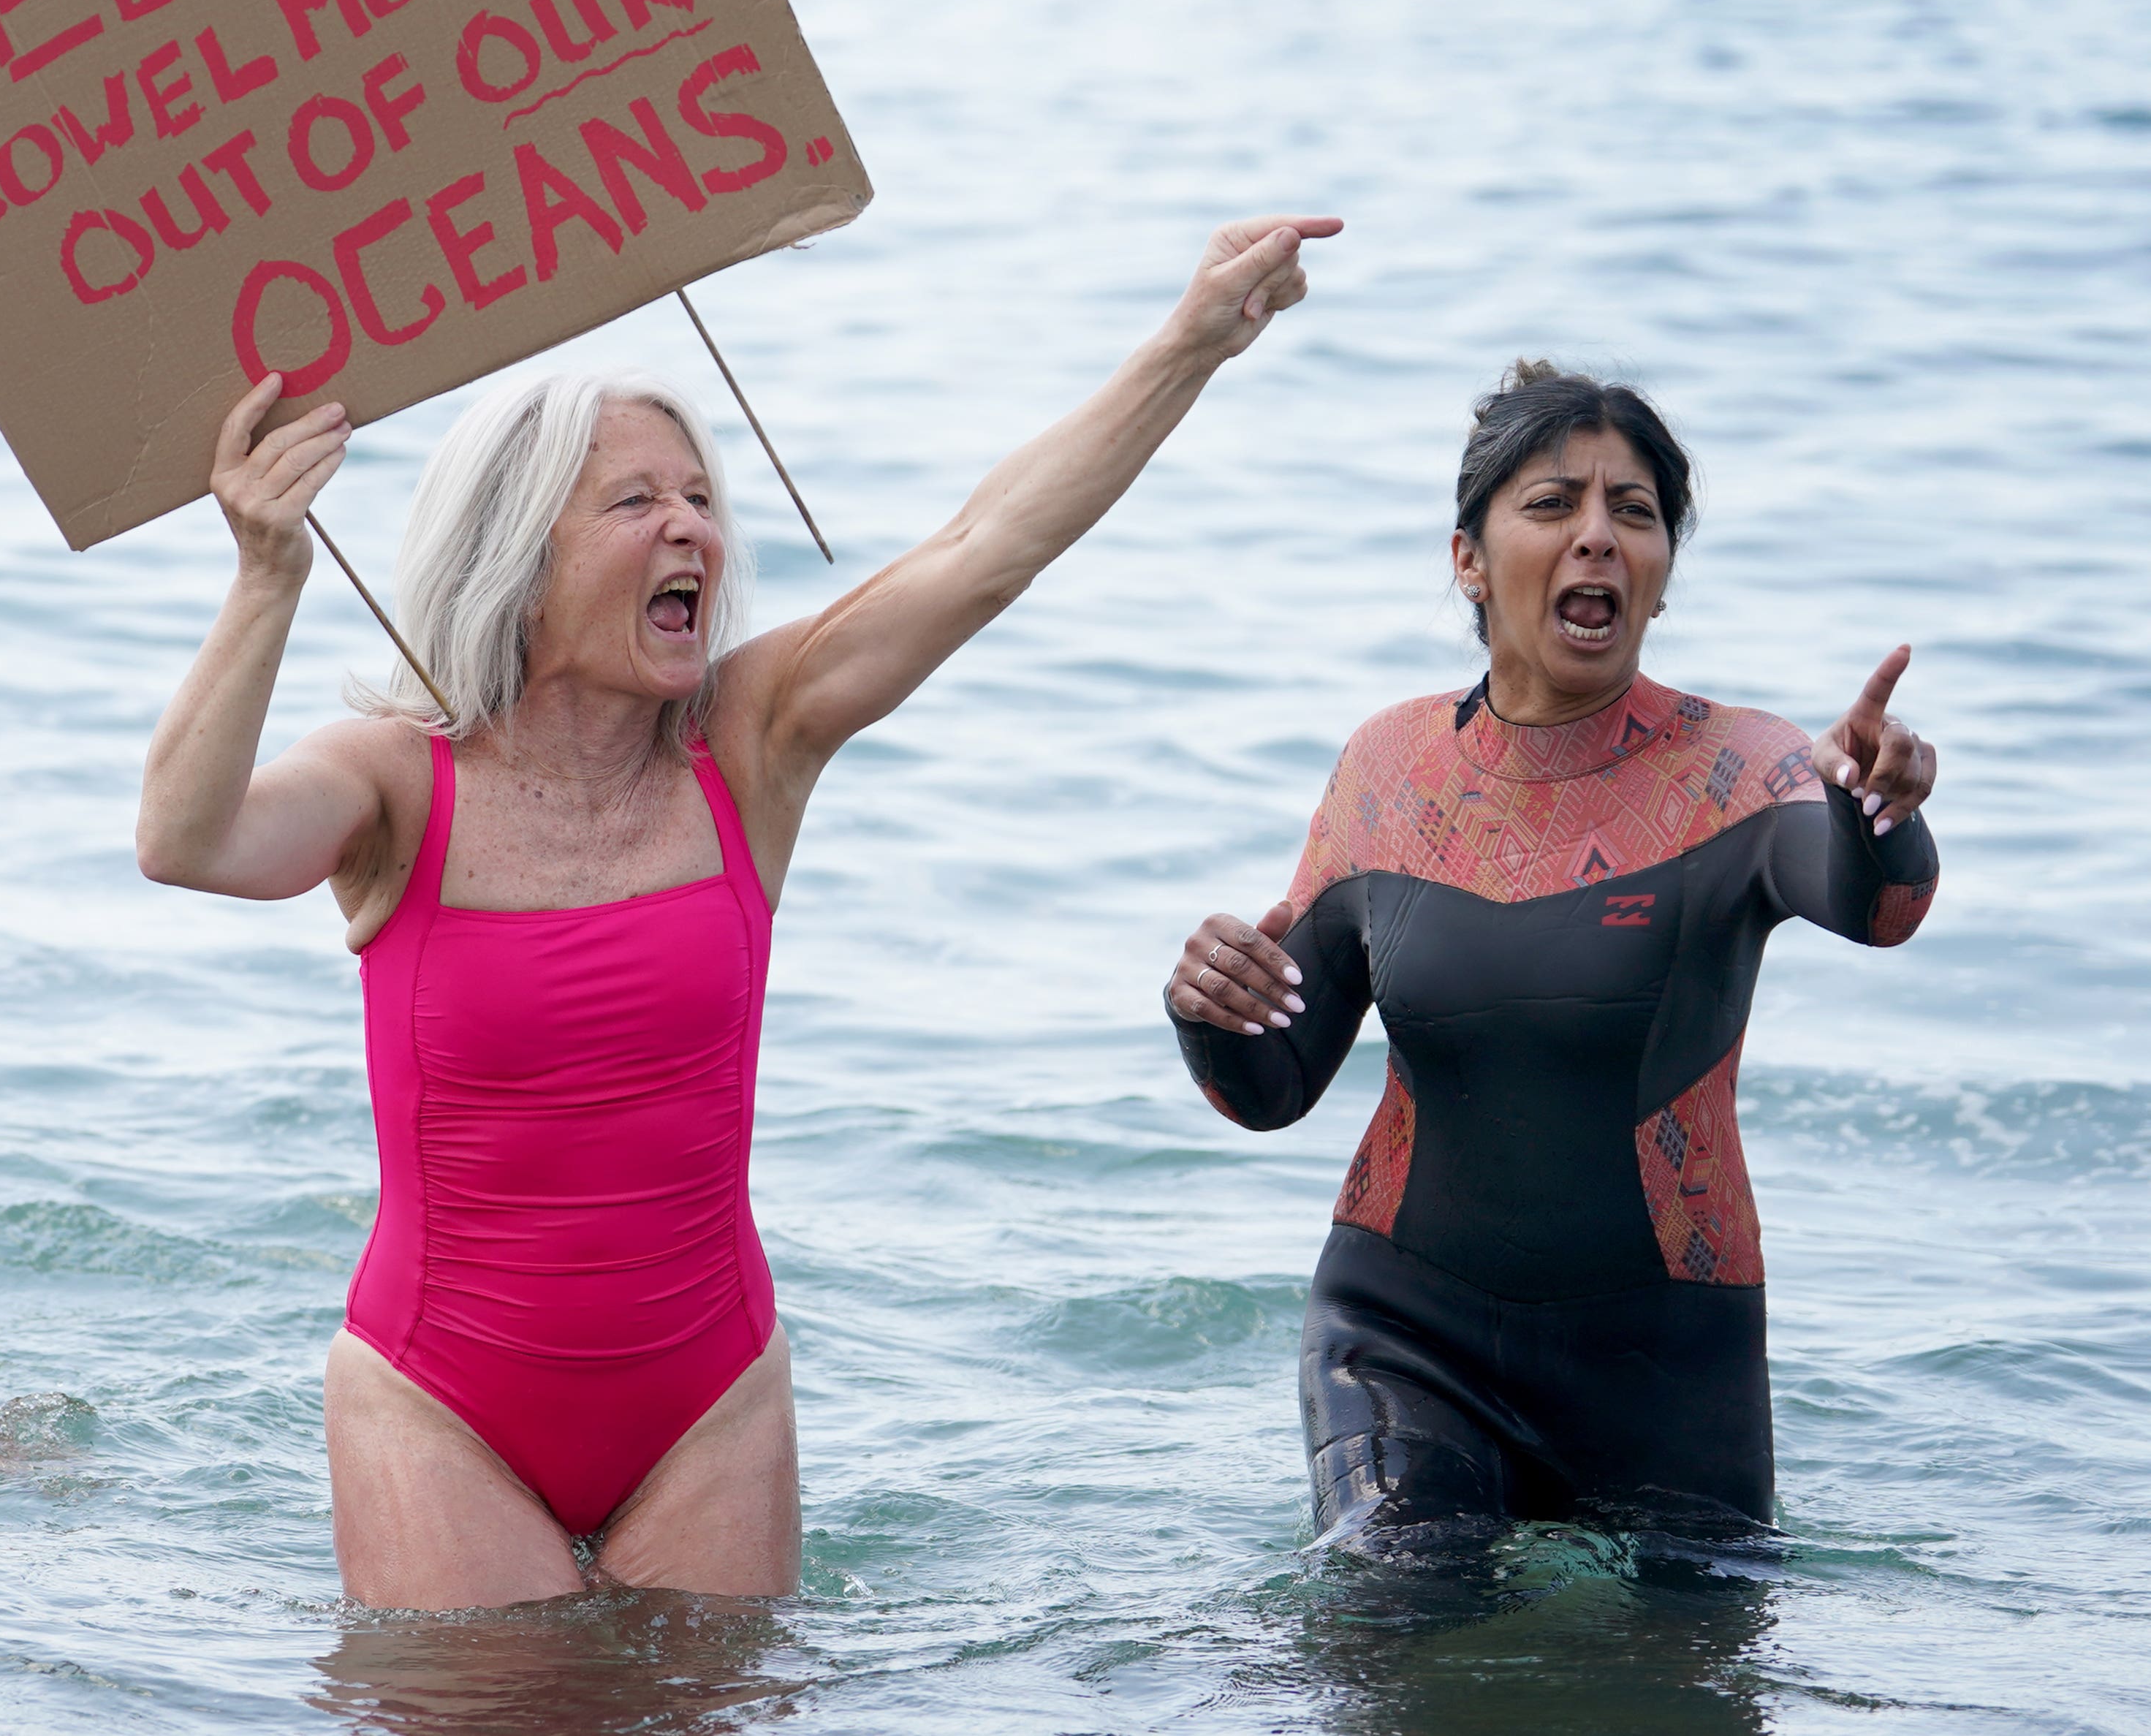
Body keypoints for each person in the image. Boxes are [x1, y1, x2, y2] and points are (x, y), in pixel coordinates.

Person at [137, 216, 1341, 1608]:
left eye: (701, 496)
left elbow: (986, 547)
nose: (692, 525)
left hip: (708, 1396)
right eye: (636, 501)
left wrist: (1188, 344)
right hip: (439, 1399)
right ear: (521, 552)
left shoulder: (750, 744)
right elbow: (186, 840)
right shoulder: (394, 780)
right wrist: (268, 576)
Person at [1164, 363, 1941, 1548]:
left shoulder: (1746, 773)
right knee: (1391, 1602)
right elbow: (1271, 1088)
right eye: (1552, 506)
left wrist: (1878, 808)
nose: (1598, 538)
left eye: (1634, 513)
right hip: (1402, 1337)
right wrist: (1209, 1010)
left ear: (1664, 574)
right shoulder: (1389, 771)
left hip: (1669, 1370)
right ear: (1469, 559)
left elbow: (1875, 907)